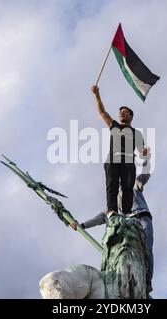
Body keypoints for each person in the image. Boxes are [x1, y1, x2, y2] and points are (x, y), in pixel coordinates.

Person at [70, 158, 154, 294]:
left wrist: (146, 159)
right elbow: (101, 217)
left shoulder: (134, 185)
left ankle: (147, 281)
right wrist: (82, 225)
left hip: (141, 219)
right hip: (123, 225)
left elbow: (145, 174)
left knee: (147, 248)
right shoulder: (112, 201)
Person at [91, 85, 148, 216]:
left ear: (131, 117)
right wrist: (96, 94)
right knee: (112, 185)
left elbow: (141, 151)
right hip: (113, 159)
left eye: (125, 112)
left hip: (128, 161)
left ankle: (127, 213)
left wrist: (144, 152)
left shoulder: (136, 133)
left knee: (128, 188)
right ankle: (112, 211)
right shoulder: (114, 126)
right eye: (121, 111)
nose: (122, 113)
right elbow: (102, 112)